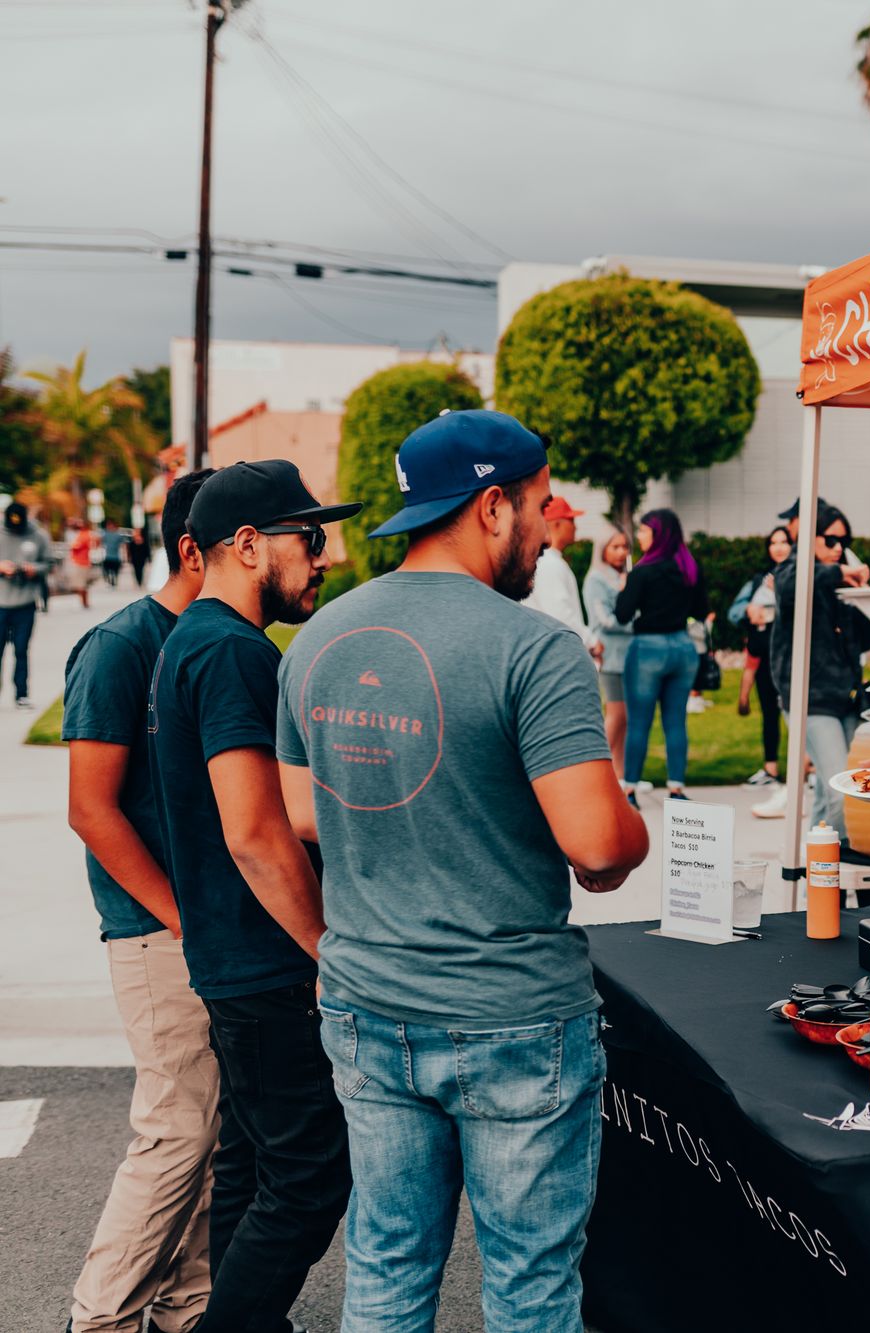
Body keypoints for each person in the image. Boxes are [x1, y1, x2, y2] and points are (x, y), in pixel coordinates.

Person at [277, 409, 648, 1330]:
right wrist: (627, 822)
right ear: (492, 507)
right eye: (541, 503)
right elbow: (600, 846)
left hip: (367, 1001)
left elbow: (302, 812)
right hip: (510, 1012)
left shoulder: (320, 636)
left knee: (386, 1268)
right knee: (529, 1285)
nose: (548, 526)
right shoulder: (536, 647)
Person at [148, 458, 358, 1329]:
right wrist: (327, 949)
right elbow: (255, 830)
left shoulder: (192, 641)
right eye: (308, 538)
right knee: (309, 1179)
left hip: (231, 957)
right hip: (267, 963)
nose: (324, 556)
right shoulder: (233, 652)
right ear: (246, 544)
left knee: (253, 1165)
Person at [62, 470, 216, 1333]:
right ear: (195, 549)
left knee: (212, 1130)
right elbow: (91, 807)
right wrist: (183, 918)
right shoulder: (120, 646)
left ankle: (187, 1305)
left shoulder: (223, 642)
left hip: (215, 931)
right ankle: (99, 1319)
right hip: (157, 929)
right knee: (177, 1130)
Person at [770, 503, 870, 836]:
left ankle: (816, 865)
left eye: (844, 542)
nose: (838, 549)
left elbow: (868, 639)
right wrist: (838, 573)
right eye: (831, 540)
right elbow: (789, 585)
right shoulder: (794, 571)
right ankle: (842, 861)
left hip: (845, 697)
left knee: (829, 790)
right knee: (841, 791)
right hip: (809, 698)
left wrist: (865, 600)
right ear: (809, 537)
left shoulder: (839, 576)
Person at [616, 508, 708, 801]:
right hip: (683, 647)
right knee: (676, 722)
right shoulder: (689, 569)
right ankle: (676, 787)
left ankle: (630, 788)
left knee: (639, 722)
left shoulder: (642, 571)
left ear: (658, 535)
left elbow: (622, 614)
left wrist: (624, 588)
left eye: (644, 530)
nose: (640, 536)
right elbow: (701, 611)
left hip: (648, 648)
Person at [730, 525, 792, 799]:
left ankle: (809, 768)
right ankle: (770, 769)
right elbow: (734, 612)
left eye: (784, 541)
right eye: (773, 542)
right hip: (764, 653)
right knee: (769, 712)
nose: (778, 547)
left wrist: (780, 592)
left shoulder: (801, 576)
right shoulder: (759, 581)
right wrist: (748, 610)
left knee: (798, 713)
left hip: (791, 654)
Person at [583, 527, 634, 764]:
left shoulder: (624, 576)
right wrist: (636, 624)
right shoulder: (596, 579)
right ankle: (596, 766)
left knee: (626, 718)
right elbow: (604, 619)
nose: (622, 552)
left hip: (627, 656)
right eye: (615, 547)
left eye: (625, 547)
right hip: (609, 656)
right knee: (616, 714)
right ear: (603, 550)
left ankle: (619, 775)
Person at [1, 500, 54, 707]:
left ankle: (21, 694)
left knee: (21, 650)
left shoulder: (38, 535)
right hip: (1, 603)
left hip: (25, 603)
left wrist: (33, 569)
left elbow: (49, 563)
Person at [521, 492, 589, 641]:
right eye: (571, 520)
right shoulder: (549, 563)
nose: (575, 527)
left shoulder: (546, 560)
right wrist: (591, 641)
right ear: (557, 524)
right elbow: (561, 615)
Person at [100, 517, 129, 586]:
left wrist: (124, 555)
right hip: (107, 556)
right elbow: (101, 542)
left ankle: (114, 580)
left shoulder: (118, 535)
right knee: (106, 570)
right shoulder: (105, 534)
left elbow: (123, 545)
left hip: (116, 556)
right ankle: (109, 580)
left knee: (115, 571)